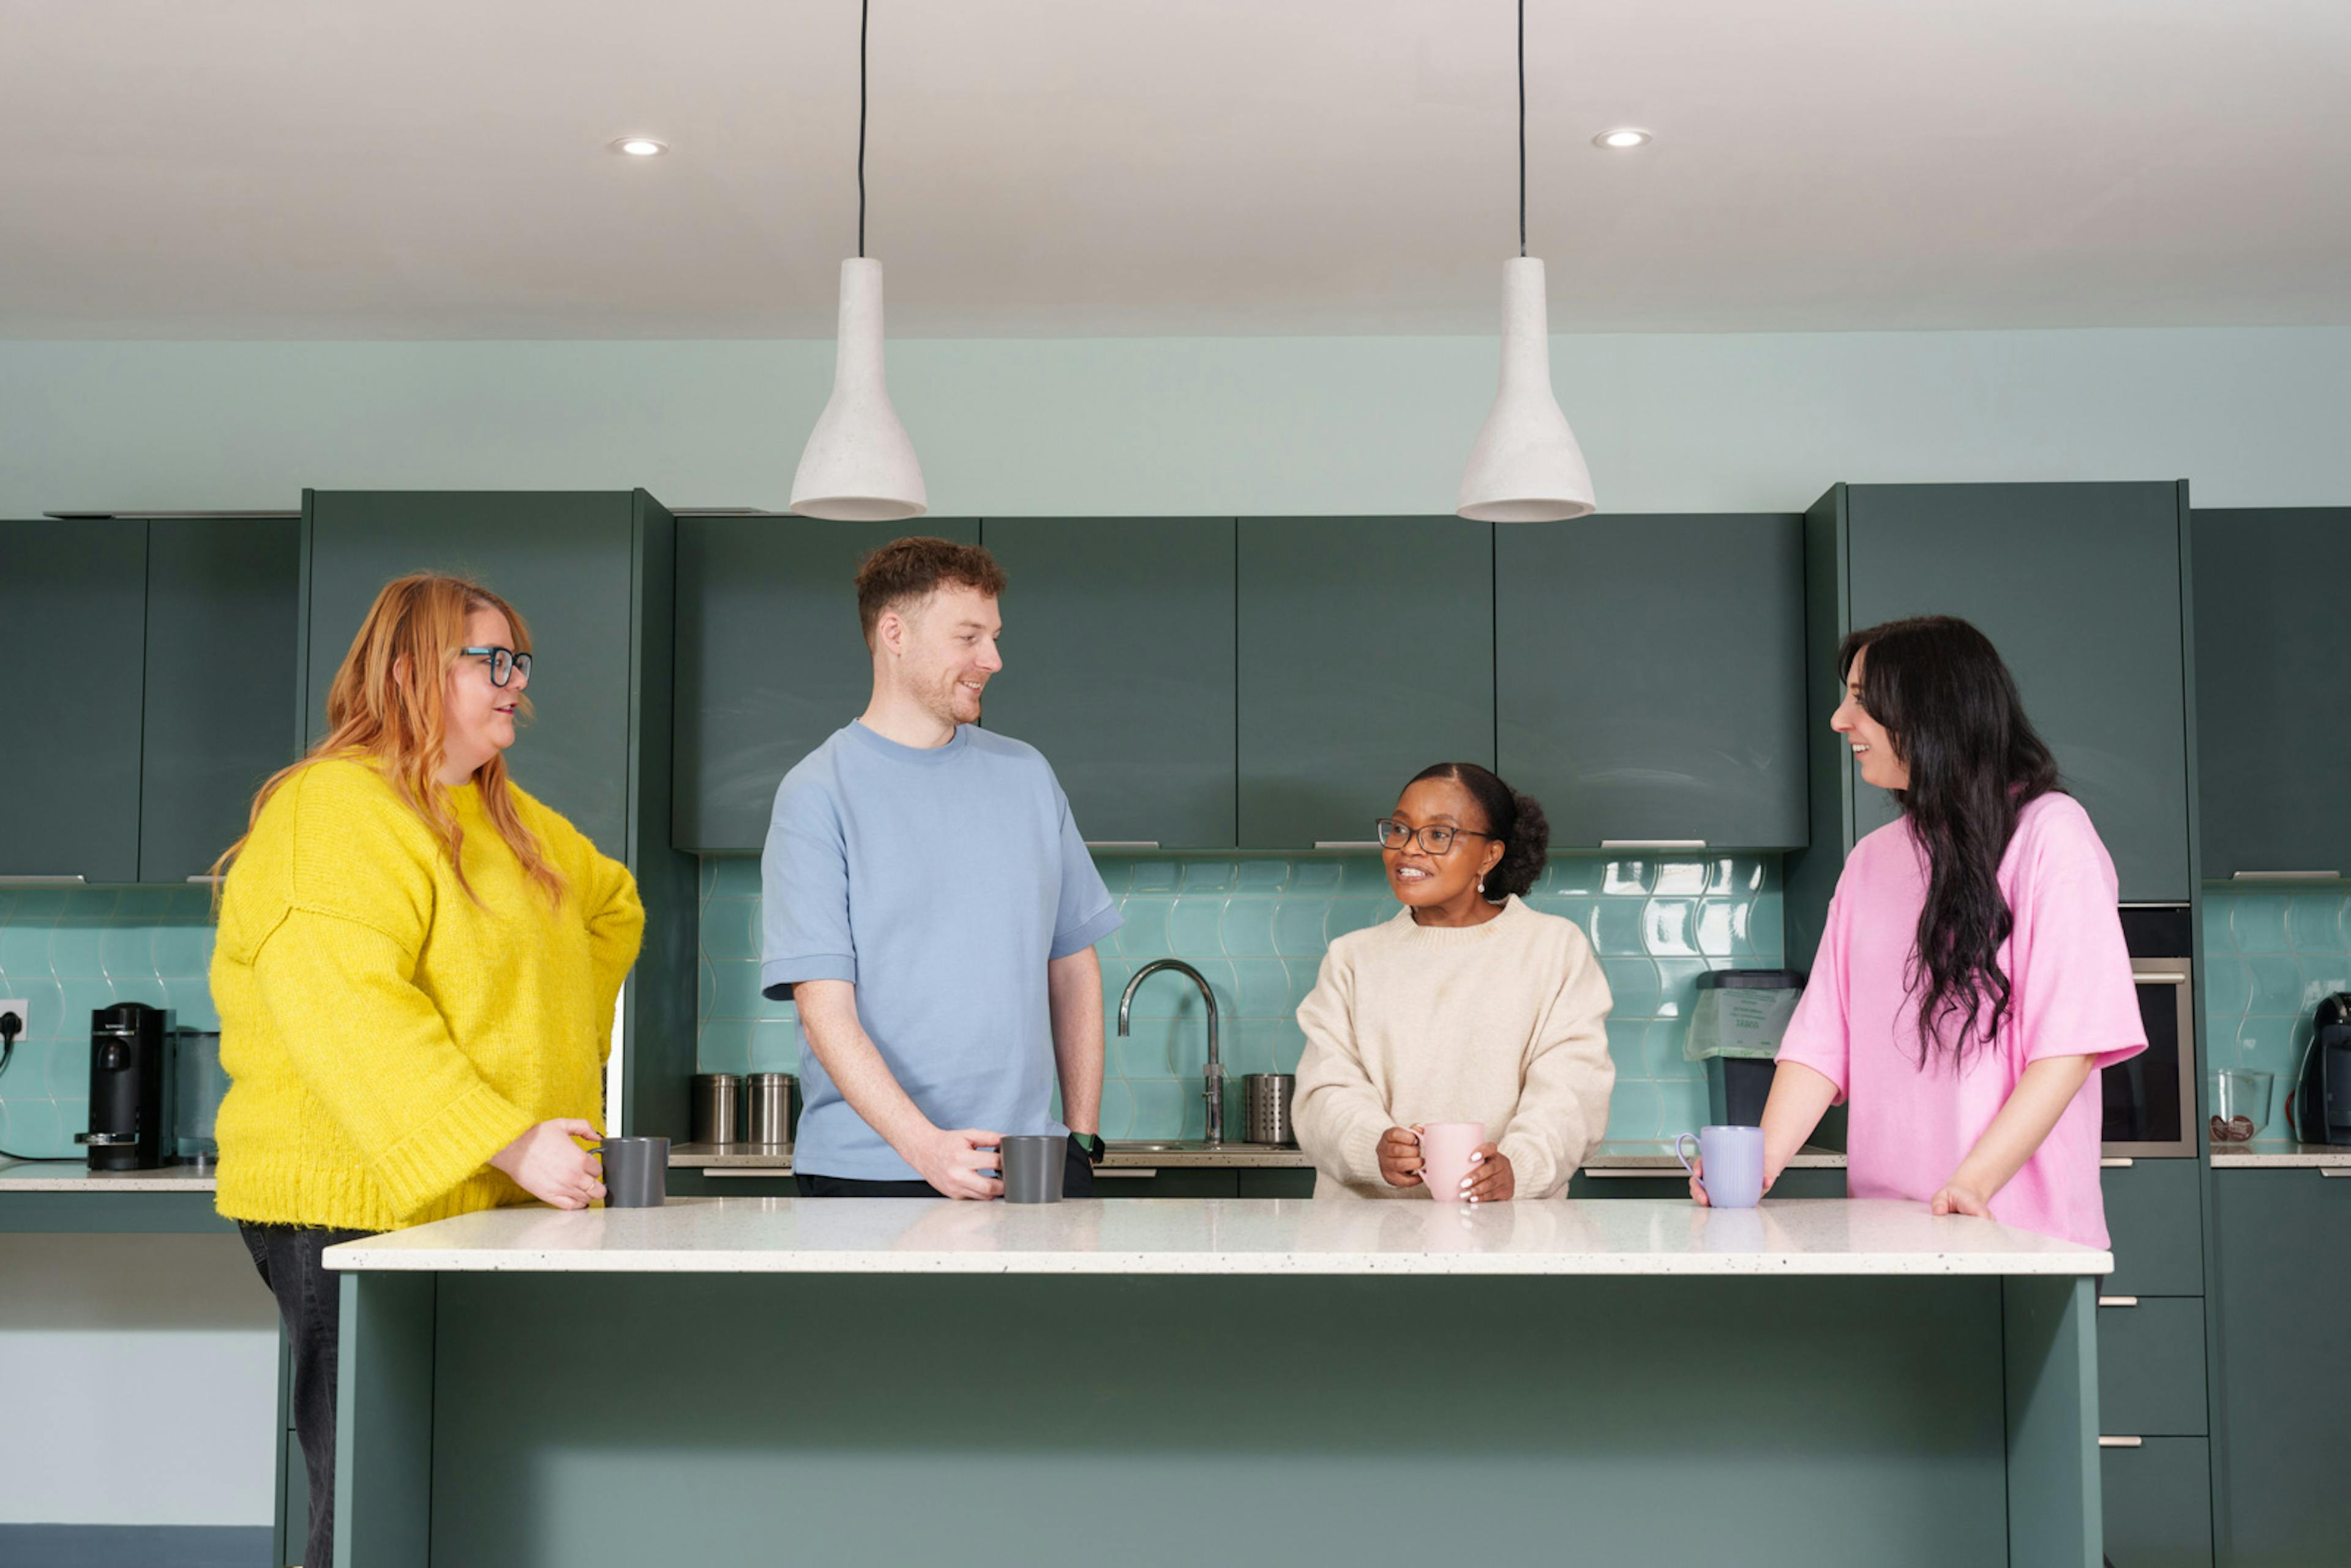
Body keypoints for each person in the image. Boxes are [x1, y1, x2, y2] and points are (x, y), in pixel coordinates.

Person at [209, 573, 643, 1567]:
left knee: (464, 1486)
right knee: (379, 1495)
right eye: (488, 660)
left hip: (473, 1204)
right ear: (407, 670)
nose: (514, 684)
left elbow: (612, 908)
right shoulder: (332, 809)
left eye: (518, 661)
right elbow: (349, 1011)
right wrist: (509, 1130)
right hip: (349, 1209)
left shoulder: (509, 820)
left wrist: (543, 1074)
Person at [1691, 615, 2145, 1248]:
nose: (1839, 720)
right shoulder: (1871, 861)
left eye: (1861, 698)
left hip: (2019, 1235)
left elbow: (2068, 1048)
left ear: (1933, 711)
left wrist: (1973, 1184)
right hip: (1885, 1234)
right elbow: (1821, 1042)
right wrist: (1757, 1166)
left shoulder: (2052, 834)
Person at [761, 538, 1120, 1199]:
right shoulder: (817, 792)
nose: (994, 659)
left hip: (1031, 1170)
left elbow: (1073, 963)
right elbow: (825, 1012)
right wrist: (926, 1148)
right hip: (869, 1175)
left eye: (995, 635)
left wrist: (1081, 1136)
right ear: (894, 632)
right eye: (969, 636)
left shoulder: (1028, 776)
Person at [1292, 763, 1614, 1201]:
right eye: (1401, 829)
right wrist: (1373, 1145)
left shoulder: (1554, 950)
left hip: (1512, 1237)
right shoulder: (1352, 959)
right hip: (1364, 1240)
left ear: (1490, 855)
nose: (1409, 849)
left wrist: (1517, 1167)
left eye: (1439, 834)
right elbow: (1323, 1091)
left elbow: (1574, 1091)